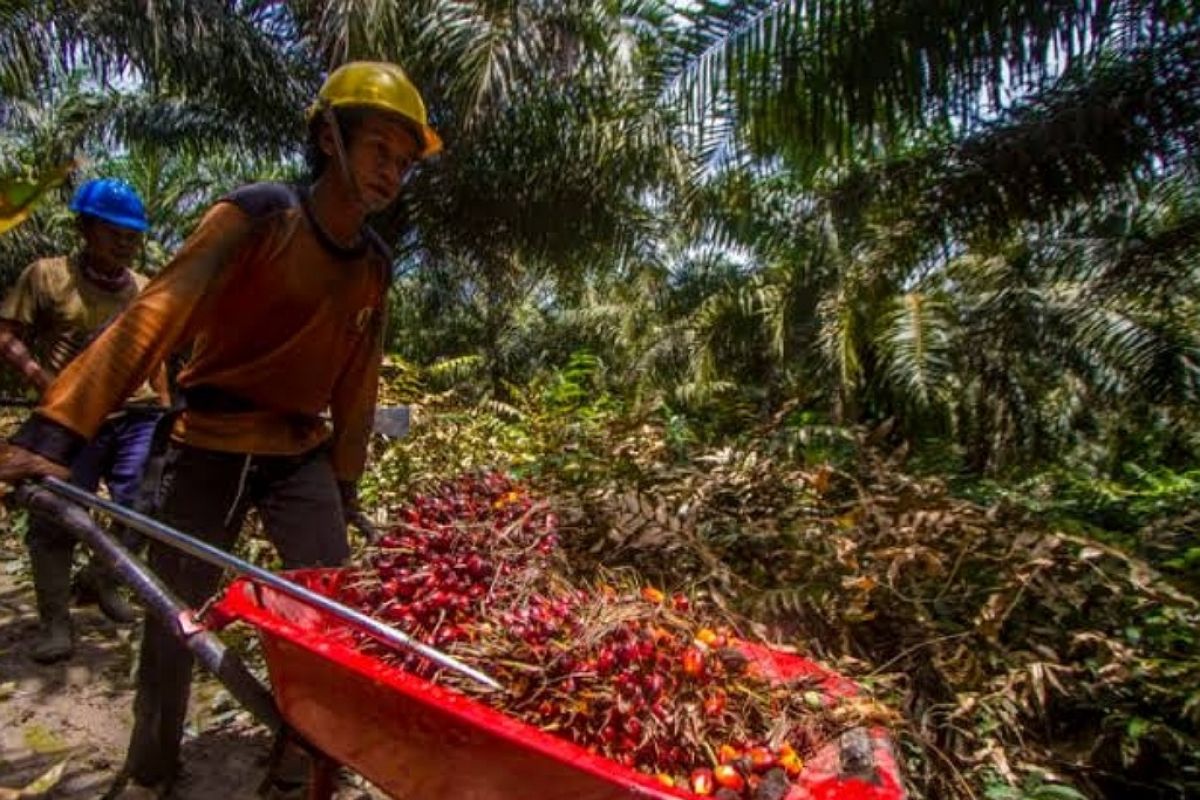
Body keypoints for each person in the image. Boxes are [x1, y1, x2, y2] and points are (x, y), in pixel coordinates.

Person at [0, 61, 440, 798]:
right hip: (211, 440)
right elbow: (153, 315)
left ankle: (302, 756)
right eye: (379, 150)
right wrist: (52, 435)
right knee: (177, 613)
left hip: (300, 450)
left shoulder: (373, 265)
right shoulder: (260, 216)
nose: (391, 172)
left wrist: (346, 480)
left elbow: (359, 380)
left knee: (329, 618)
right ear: (329, 138)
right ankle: (151, 765)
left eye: (403, 162)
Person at [0, 177, 167, 662]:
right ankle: (55, 621)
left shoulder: (144, 289)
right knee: (54, 515)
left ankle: (101, 578)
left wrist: (163, 401)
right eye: (115, 232)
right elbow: (7, 335)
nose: (125, 243)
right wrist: (42, 378)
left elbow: (155, 352)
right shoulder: (47, 277)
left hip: (135, 416)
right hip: (70, 417)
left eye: (133, 235)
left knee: (140, 506)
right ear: (84, 228)